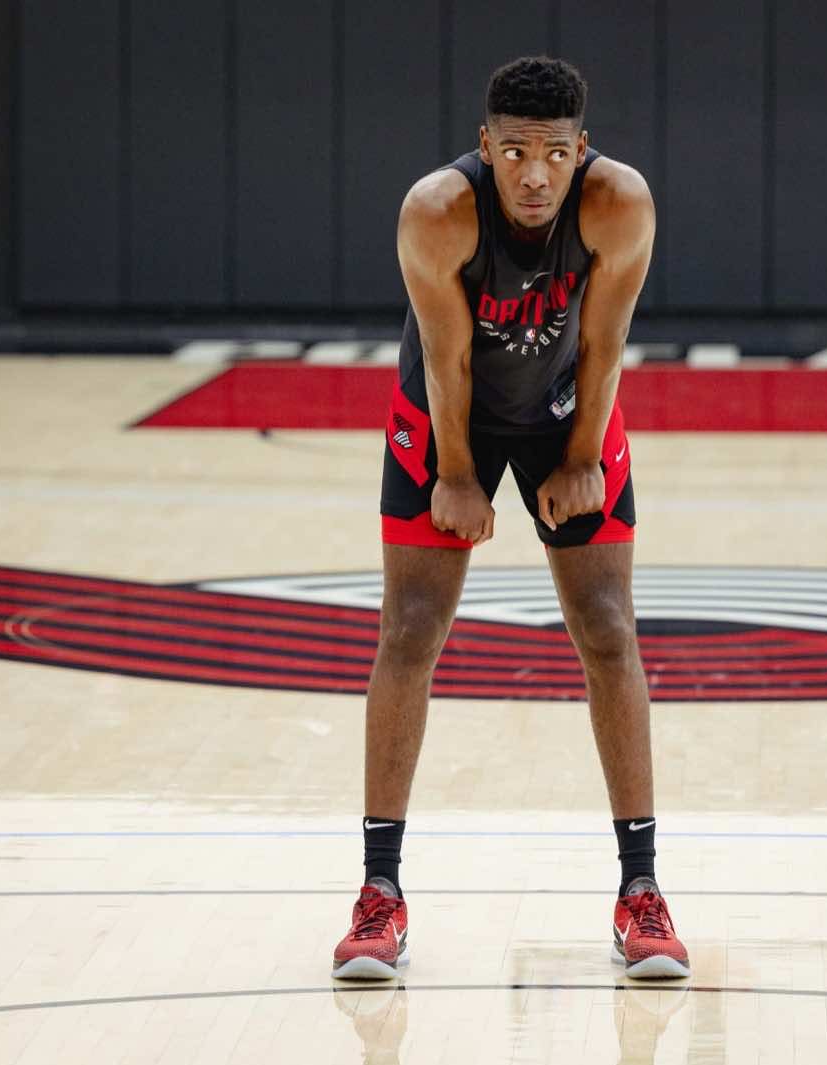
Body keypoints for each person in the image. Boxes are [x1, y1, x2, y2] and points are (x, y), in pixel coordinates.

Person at [330, 56, 688, 981]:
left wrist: (581, 459)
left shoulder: (619, 204)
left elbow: (605, 342)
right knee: (410, 627)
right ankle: (379, 893)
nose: (536, 174)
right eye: (517, 152)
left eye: (556, 154)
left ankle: (641, 890)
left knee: (607, 626)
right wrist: (456, 476)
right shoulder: (437, 211)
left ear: (582, 151)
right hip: (448, 412)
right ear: (485, 147)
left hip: (568, 409)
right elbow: (447, 360)